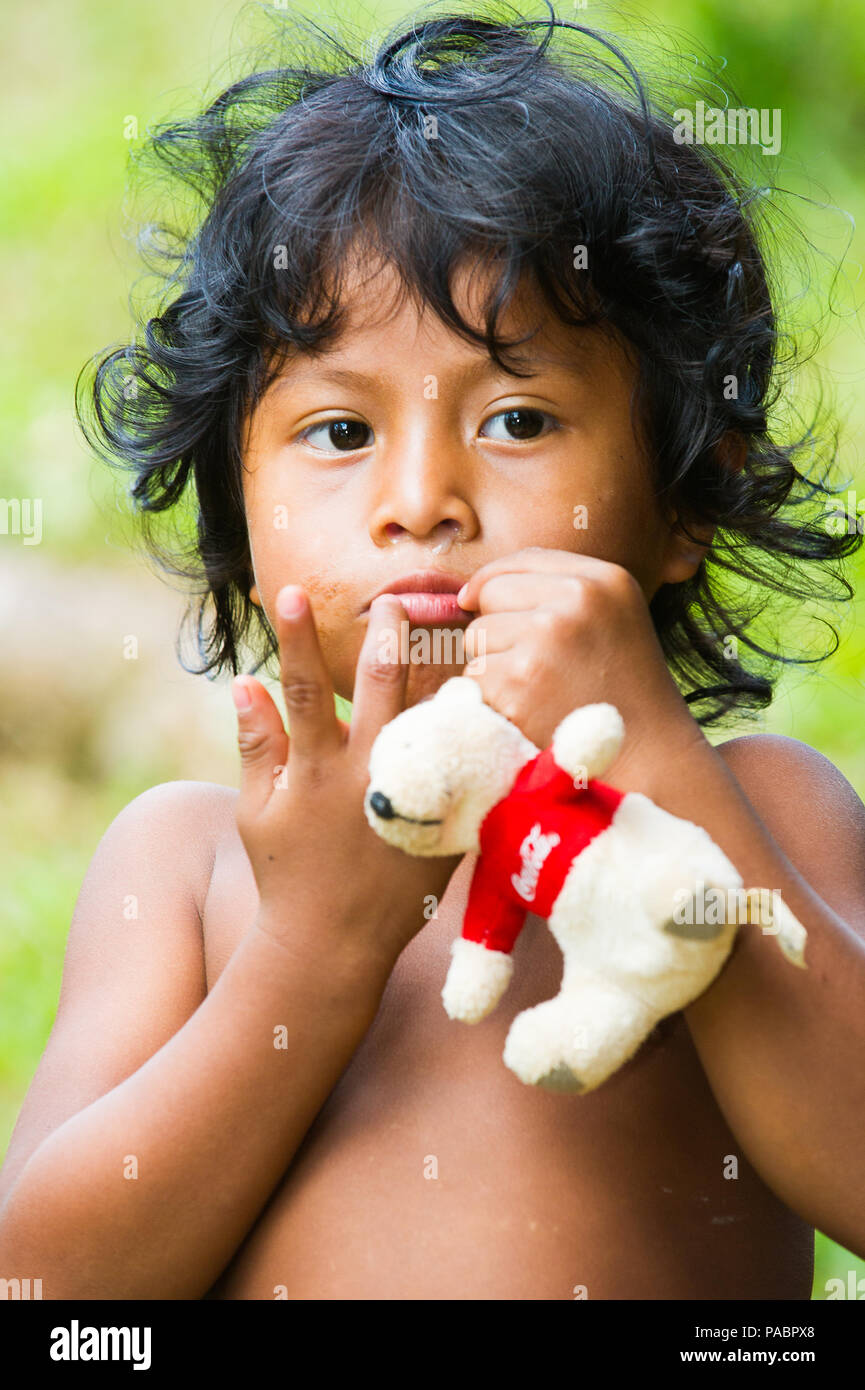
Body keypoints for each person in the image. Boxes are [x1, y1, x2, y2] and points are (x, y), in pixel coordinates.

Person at [1, 5, 864, 1300]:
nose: (421, 499)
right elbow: (50, 1293)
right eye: (339, 433)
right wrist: (313, 949)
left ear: (687, 495)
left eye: (516, 416)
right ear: (241, 517)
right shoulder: (185, 867)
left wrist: (669, 773)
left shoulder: (766, 807)